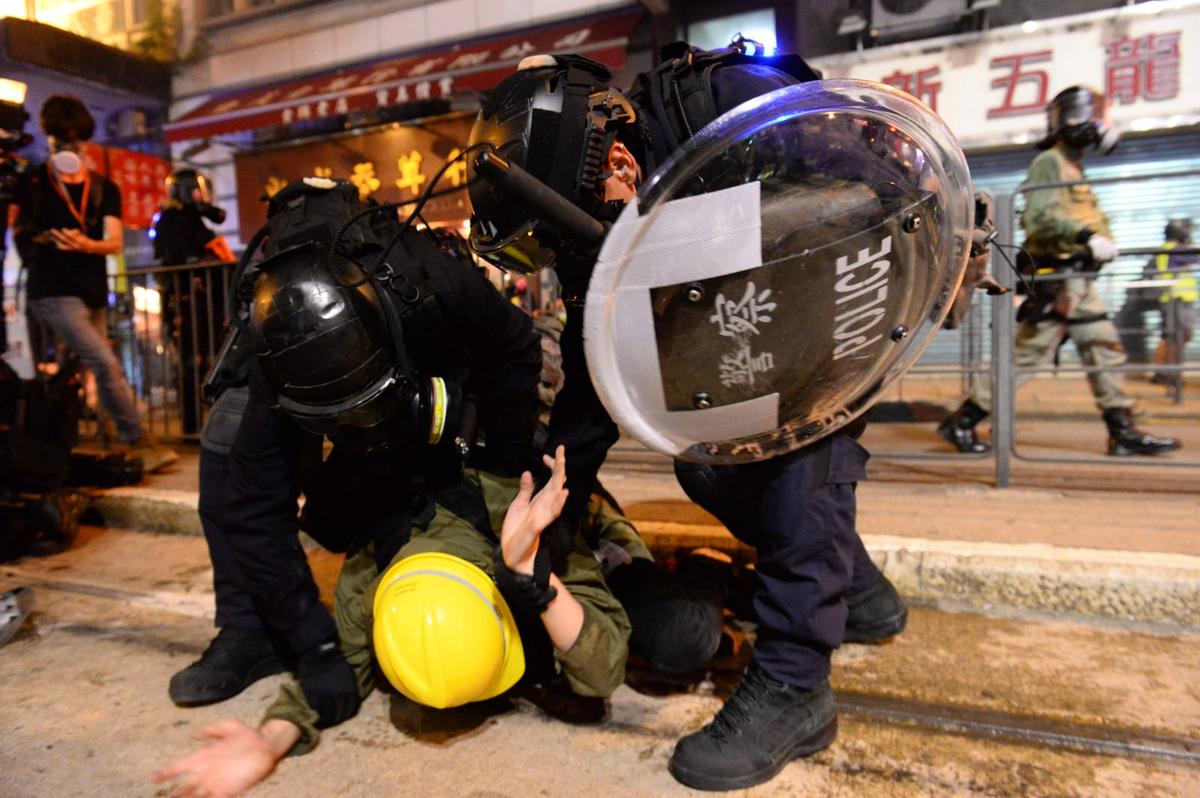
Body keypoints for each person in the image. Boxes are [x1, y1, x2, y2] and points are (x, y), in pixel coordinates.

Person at [467, 47, 911, 790]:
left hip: (843, 305)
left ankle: (797, 684)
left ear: (616, 162)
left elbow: (882, 191)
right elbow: (592, 382)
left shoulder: (730, 104)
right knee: (706, 466)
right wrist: (556, 512)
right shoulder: (592, 218)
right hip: (751, 341)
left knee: (798, 463)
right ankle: (859, 594)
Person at [168, 178, 544, 728]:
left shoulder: (433, 280)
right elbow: (254, 507)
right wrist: (314, 647)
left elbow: (516, 348)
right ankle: (249, 629)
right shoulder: (274, 352)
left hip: (435, 394)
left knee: (468, 467)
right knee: (229, 459)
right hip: (305, 394)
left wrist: (500, 471)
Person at [154, 447, 633, 797]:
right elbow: (332, 676)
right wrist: (269, 742)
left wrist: (532, 570)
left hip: (532, 465)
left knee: (674, 627)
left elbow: (602, 669)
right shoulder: (368, 584)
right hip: (418, 479)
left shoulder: (528, 514)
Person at [939, 86, 1181, 458]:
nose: (1098, 126)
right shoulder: (1050, 162)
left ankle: (1122, 432)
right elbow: (1040, 217)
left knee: (1104, 349)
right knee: (1029, 356)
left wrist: (1100, 240)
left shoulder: (1073, 166)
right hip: (1059, 281)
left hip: (1080, 280)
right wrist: (1086, 235)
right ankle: (963, 421)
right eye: (1091, 116)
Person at [8, 94, 175, 470]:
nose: (70, 148)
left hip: (93, 290)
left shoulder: (104, 188)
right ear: (47, 138)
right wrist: (42, 239)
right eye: (60, 139)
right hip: (51, 291)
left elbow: (113, 241)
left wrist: (86, 244)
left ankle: (63, 440)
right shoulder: (31, 182)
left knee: (78, 368)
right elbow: (16, 232)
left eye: (76, 140)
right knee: (104, 362)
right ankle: (138, 440)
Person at [152, 167, 234, 434]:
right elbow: (177, 257)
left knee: (215, 358)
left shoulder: (193, 218)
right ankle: (191, 427)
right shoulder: (169, 219)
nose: (200, 195)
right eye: (196, 190)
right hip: (184, 302)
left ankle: (216, 421)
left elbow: (217, 223)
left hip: (206, 301)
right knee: (191, 362)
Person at [1150, 218, 1196, 388]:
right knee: (1175, 336)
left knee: (1173, 336)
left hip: (1176, 297)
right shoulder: (1174, 249)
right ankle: (1166, 373)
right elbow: (1195, 257)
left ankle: (1164, 372)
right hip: (1176, 298)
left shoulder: (1169, 249)